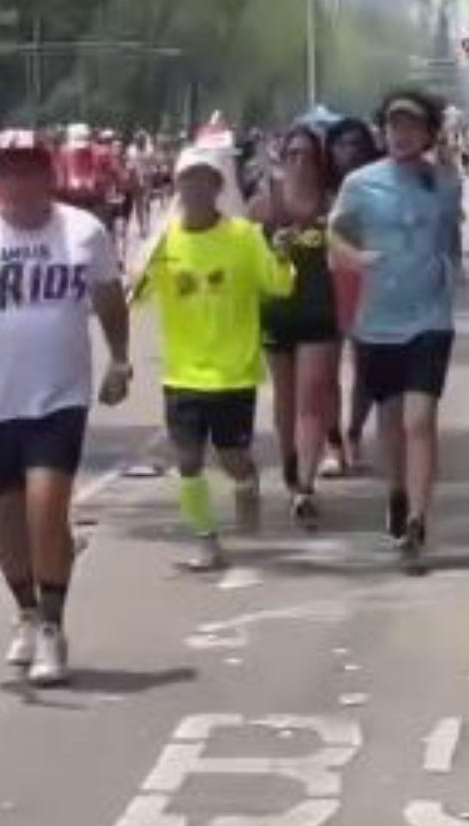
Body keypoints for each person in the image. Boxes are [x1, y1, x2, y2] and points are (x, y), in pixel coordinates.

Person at [0, 130, 131, 686]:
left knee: (47, 510)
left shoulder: (83, 233)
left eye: (28, 169)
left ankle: (52, 628)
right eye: (5, 171)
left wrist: (120, 358)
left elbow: (109, 296)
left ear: (49, 174)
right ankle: (24, 610)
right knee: (8, 519)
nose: (17, 181)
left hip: (58, 395)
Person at [134, 146, 295, 572]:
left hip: (234, 373)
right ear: (177, 187)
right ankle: (206, 539)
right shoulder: (165, 242)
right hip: (184, 372)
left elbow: (279, 287)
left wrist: (280, 255)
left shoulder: (243, 236)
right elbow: (137, 297)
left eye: (204, 179)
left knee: (230, 458)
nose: (195, 188)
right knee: (186, 459)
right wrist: (143, 267)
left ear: (217, 187)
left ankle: (246, 479)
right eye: (187, 179)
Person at [329, 89, 463, 571]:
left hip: (430, 317)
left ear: (428, 132)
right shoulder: (360, 184)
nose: (401, 134)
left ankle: (418, 524)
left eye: (412, 126)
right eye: (393, 125)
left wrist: (445, 167)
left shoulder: (443, 181)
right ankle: (398, 491)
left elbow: (451, 228)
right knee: (389, 422)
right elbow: (334, 236)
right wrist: (355, 258)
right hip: (377, 320)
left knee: (419, 421)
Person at [252, 126, 341, 529]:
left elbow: (349, 254)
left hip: (320, 311)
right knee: (284, 401)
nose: (300, 162)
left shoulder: (333, 202)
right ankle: (290, 468)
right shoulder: (265, 203)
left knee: (313, 396)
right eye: (292, 154)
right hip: (276, 310)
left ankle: (305, 484)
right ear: (282, 158)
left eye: (307, 154)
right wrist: (270, 246)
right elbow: (243, 251)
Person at [325, 118, 380, 473]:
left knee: (367, 369)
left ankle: (355, 432)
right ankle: (333, 445)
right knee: (326, 368)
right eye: (341, 143)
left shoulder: (379, 185)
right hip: (327, 281)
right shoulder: (320, 187)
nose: (348, 150)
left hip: (370, 280)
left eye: (356, 144)